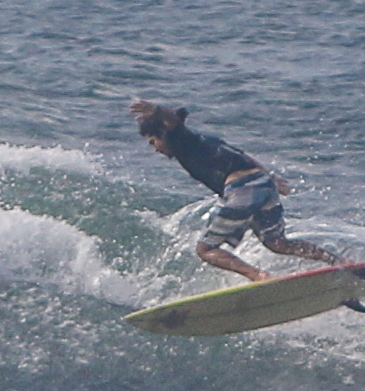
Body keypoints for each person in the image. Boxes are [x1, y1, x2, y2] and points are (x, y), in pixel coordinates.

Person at [130, 99, 344, 284]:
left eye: (153, 141)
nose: (155, 148)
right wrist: (271, 179)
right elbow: (239, 154)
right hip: (263, 184)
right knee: (277, 243)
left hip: (242, 189)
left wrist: (156, 109)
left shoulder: (182, 141)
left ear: (164, 135)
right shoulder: (205, 141)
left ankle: (259, 276)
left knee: (205, 250)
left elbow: (173, 121)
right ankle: (337, 261)